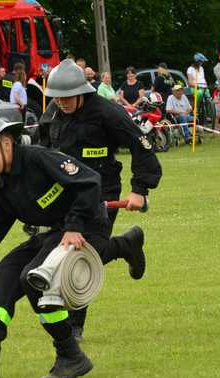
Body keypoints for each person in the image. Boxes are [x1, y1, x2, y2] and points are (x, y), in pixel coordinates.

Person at [0, 116, 122, 378]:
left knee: (32, 277)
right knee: (4, 275)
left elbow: (89, 181)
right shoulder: (1, 187)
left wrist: (74, 224)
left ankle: (71, 355)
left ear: (6, 143)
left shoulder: (38, 159)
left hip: (87, 225)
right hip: (58, 231)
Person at [39, 59, 162, 340]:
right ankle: (124, 245)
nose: (62, 103)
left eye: (67, 97)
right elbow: (41, 150)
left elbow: (140, 144)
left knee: (80, 255)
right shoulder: (54, 112)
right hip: (63, 191)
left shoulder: (108, 112)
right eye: (57, 98)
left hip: (101, 190)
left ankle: (74, 326)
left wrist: (140, 189)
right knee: (69, 251)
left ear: (81, 91)